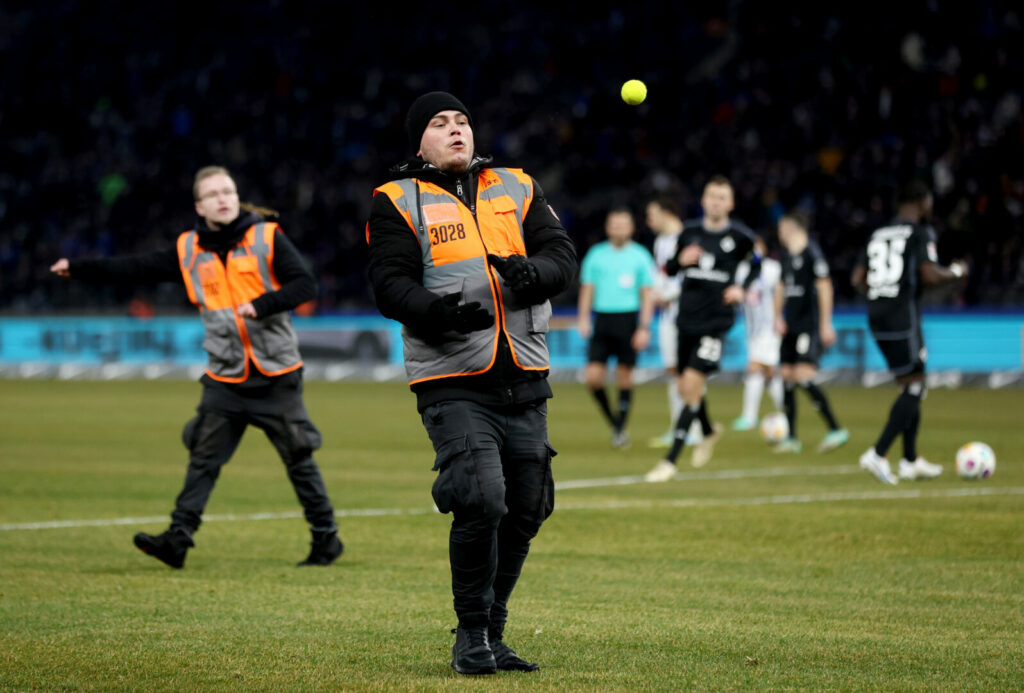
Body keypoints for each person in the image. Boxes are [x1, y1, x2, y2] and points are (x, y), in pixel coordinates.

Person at [365, 92, 576, 675]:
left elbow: (561, 254)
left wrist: (535, 274)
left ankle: (493, 631)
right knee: (481, 497)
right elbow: (389, 284)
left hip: (524, 372)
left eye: (462, 121)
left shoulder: (517, 186)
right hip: (451, 377)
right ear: (420, 142)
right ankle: (472, 634)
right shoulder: (396, 199)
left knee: (528, 506)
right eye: (440, 123)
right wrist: (439, 313)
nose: (456, 129)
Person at [50, 166, 342, 569]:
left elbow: (306, 285)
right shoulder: (188, 249)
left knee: (298, 458)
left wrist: (261, 305)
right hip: (225, 377)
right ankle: (178, 538)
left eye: (228, 191)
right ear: (199, 206)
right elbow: (136, 267)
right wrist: (79, 269)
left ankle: (326, 539)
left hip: (275, 375)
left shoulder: (267, 237)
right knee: (203, 459)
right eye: (214, 194)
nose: (223, 199)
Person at [852, 181, 968, 484]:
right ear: (921, 201)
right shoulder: (919, 232)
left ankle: (910, 460)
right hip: (902, 317)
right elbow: (929, 274)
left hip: (877, 315)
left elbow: (857, 278)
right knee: (915, 387)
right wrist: (956, 272)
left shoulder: (878, 233)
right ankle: (878, 453)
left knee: (911, 384)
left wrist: (880, 294)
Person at [645, 176, 757, 482]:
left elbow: (757, 264)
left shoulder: (741, 237)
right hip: (686, 320)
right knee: (686, 387)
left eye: (722, 197)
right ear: (704, 201)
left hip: (716, 323)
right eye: (711, 196)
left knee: (691, 385)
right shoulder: (689, 233)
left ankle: (669, 461)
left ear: (730, 203)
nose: (716, 202)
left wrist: (741, 288)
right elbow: (670, 269)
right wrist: (680, 261)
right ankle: (708, 430)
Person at [577, 208, 656, 448]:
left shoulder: (640, 255)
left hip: (628, 319)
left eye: (623, 224)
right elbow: (587, 289)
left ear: (631, 228)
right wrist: (583, 318)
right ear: (608, 228)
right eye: (614, 225)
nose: (618, 229)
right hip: (602, 319)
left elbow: (647, 294)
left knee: (624, 376)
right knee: (593, 377)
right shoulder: (596, 254)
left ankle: (620, 429)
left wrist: (644, 326)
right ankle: (615, 423)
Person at [772, 212, 850, 453]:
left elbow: (825, 287)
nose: (779, 233)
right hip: (790, 326)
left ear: (792, 228)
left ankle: (835, 429)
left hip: (809, 325)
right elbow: (781, 287)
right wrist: (777, 316)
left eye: (781, 228)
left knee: (803, 376)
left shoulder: (812, 253)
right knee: (786, 377)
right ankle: (791, 438)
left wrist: (826, 324)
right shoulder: (787, 256)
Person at [645, 196, 704, 449]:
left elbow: (695, 276)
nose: (649, 221)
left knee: (690, 373)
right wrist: (658, 293)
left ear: (666, 212)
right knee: (673, 371)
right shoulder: (660, 242)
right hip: (667, 317)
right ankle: (678, 427)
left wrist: (667, 295)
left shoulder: (689, 238)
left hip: (689, 316)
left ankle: (697, 428)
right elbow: (661, 276)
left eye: (652, 215)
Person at [731, 235, 785, 432]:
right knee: (768, 372)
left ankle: (749, 417)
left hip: (768, 327)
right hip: (752, 329)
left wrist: (778, 317)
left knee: (756, 367)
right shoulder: (741, 269)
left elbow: (780, 291)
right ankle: (786, 412)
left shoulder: (771, 268)